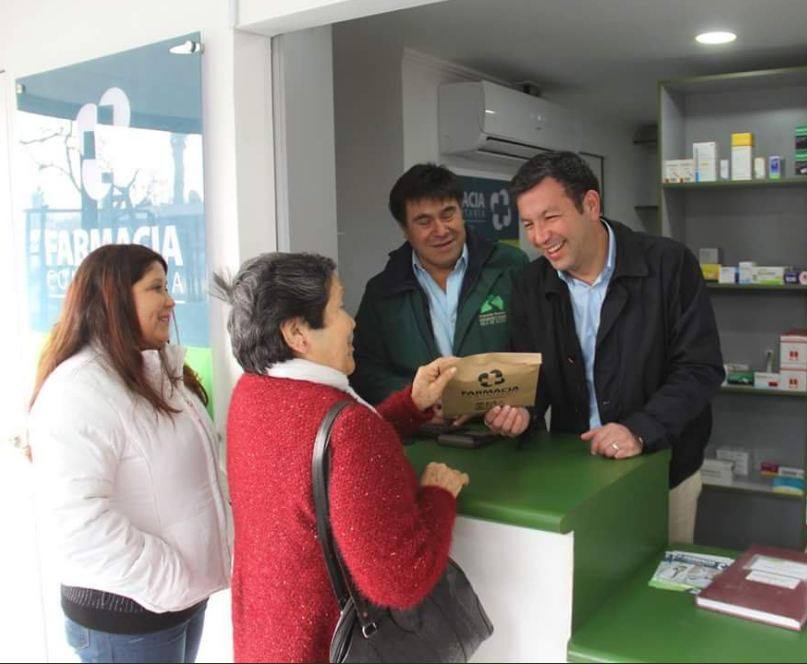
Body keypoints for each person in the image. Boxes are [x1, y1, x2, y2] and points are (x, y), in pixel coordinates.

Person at [215, 252, 470, 663]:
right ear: (297, 333)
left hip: (264, 640)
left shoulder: (251, 393)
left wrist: (410, 405)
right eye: (338, 309)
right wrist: (438, 496)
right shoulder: (348, 428)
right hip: (323, 648)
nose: (352, 323)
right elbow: (401, 579)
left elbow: (323, 457)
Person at [502, 151, 724, 544]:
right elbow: (531, 375)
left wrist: (640, 430)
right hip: (576, 476)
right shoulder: (530, 285)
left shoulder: (669, 265)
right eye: (529, 224)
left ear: (590, 205)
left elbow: (700, 368)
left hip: (663, 469)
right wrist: (520, 409)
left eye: (550, 218)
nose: (539, 237)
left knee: (661, 577)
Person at [28, 245, 231, 663]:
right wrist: (170, 579)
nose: (171, 301)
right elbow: (77, 523)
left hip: (176, 604)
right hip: (126, 616)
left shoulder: (156, 372)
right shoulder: (78, 389)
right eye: (156, 288)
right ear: (113, 298)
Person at [350, 163, 530, 428]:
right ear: (404, 228)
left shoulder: (509, 266)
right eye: (424, 222)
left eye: (448, 214)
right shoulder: (383, 290)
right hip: (422, 436)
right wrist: (419, 399)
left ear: (462, 211)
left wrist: (499, 402)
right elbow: (364, 369)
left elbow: (538, 348)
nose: (441, 230)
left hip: (500, 432)